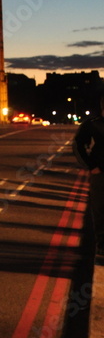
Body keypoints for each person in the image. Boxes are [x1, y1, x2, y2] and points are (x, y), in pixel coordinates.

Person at [73, 97, 104, 263]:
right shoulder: (92, 124)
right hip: (100, 174)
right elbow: (78, 145)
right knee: (100, 210)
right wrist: (91, 166)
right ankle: (102, 244)